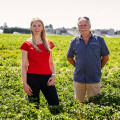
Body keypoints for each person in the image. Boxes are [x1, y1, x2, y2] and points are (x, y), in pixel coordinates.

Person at [67, 17, 109, 104]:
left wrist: (98, 68)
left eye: (85, 25)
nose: (83, 27)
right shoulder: (74, 41)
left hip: (94, 78)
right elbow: (69, 57)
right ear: (78, 27)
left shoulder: (99, 40)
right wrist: (77, 66)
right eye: (80, 25)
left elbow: (106, 57)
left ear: (90, 26)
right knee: (79, 104)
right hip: (79, 78)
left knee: (95, 104)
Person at [20, 17, 59, 108]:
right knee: (34, 107)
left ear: (42, 28)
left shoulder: (48, 43)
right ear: (31, 27)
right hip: (32, 78)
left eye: (39, 26)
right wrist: (25, 83)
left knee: (55, 105)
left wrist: (53, 76)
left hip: (47, 78)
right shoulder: (26, 44)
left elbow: (51, 62)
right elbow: (24, 65)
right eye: (34, 26)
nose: (36, 28)